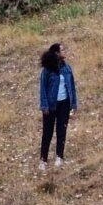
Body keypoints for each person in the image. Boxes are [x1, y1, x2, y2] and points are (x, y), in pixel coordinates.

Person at [37, 42, 78, 172]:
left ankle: (60, 156)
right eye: (62, 50)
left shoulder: (67, 68)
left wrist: (74, 104)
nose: (65, 52)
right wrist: (44, 105)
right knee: (47, 133)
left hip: (64, 104)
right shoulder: (47, 71)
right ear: (56, 53)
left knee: (62, 130)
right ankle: (43, 159)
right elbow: (42, 88)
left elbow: (72, 86)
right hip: (50, 105)